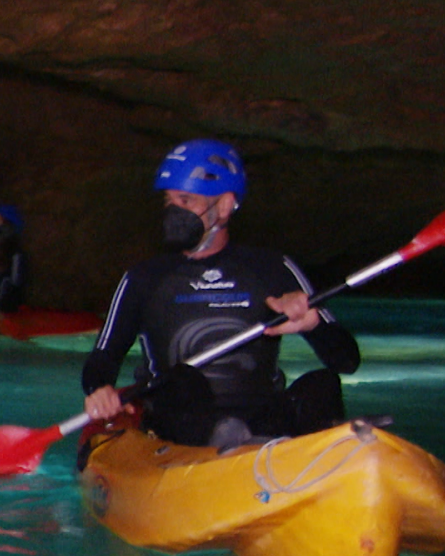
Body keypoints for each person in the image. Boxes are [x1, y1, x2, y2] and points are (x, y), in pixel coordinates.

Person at [81, 139, 360, 448]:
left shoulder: (271, 268)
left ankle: (309, 456)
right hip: (180, 424)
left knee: (323, 384)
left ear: (225, 205)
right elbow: (103, 357)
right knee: (181, 380)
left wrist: (313, 323)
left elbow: (347, 361)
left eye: (186, 200)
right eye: (169, 201)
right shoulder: (145, 277)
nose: (174, 211)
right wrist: (100, 388)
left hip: (260, 420)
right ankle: (221, 438)